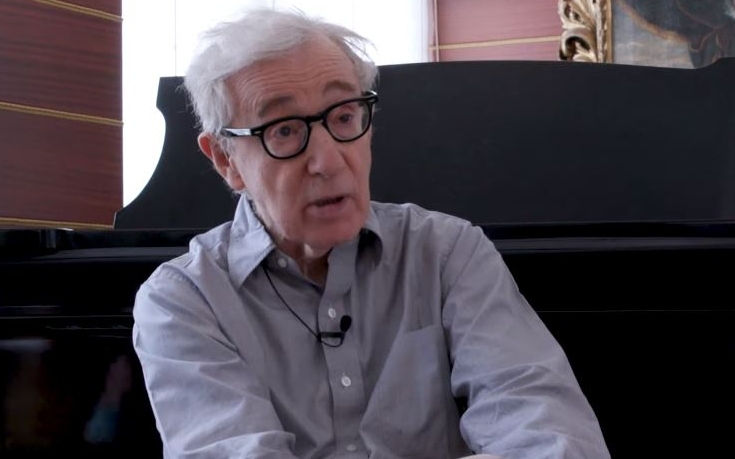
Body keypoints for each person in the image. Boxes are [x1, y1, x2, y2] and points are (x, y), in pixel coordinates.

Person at [132, 6, 610, 459]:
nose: (328, 161)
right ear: (225, 159)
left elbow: (555, 438)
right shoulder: (185, 301)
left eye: (344, 117)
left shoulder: (447, 253)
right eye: (284, 131)